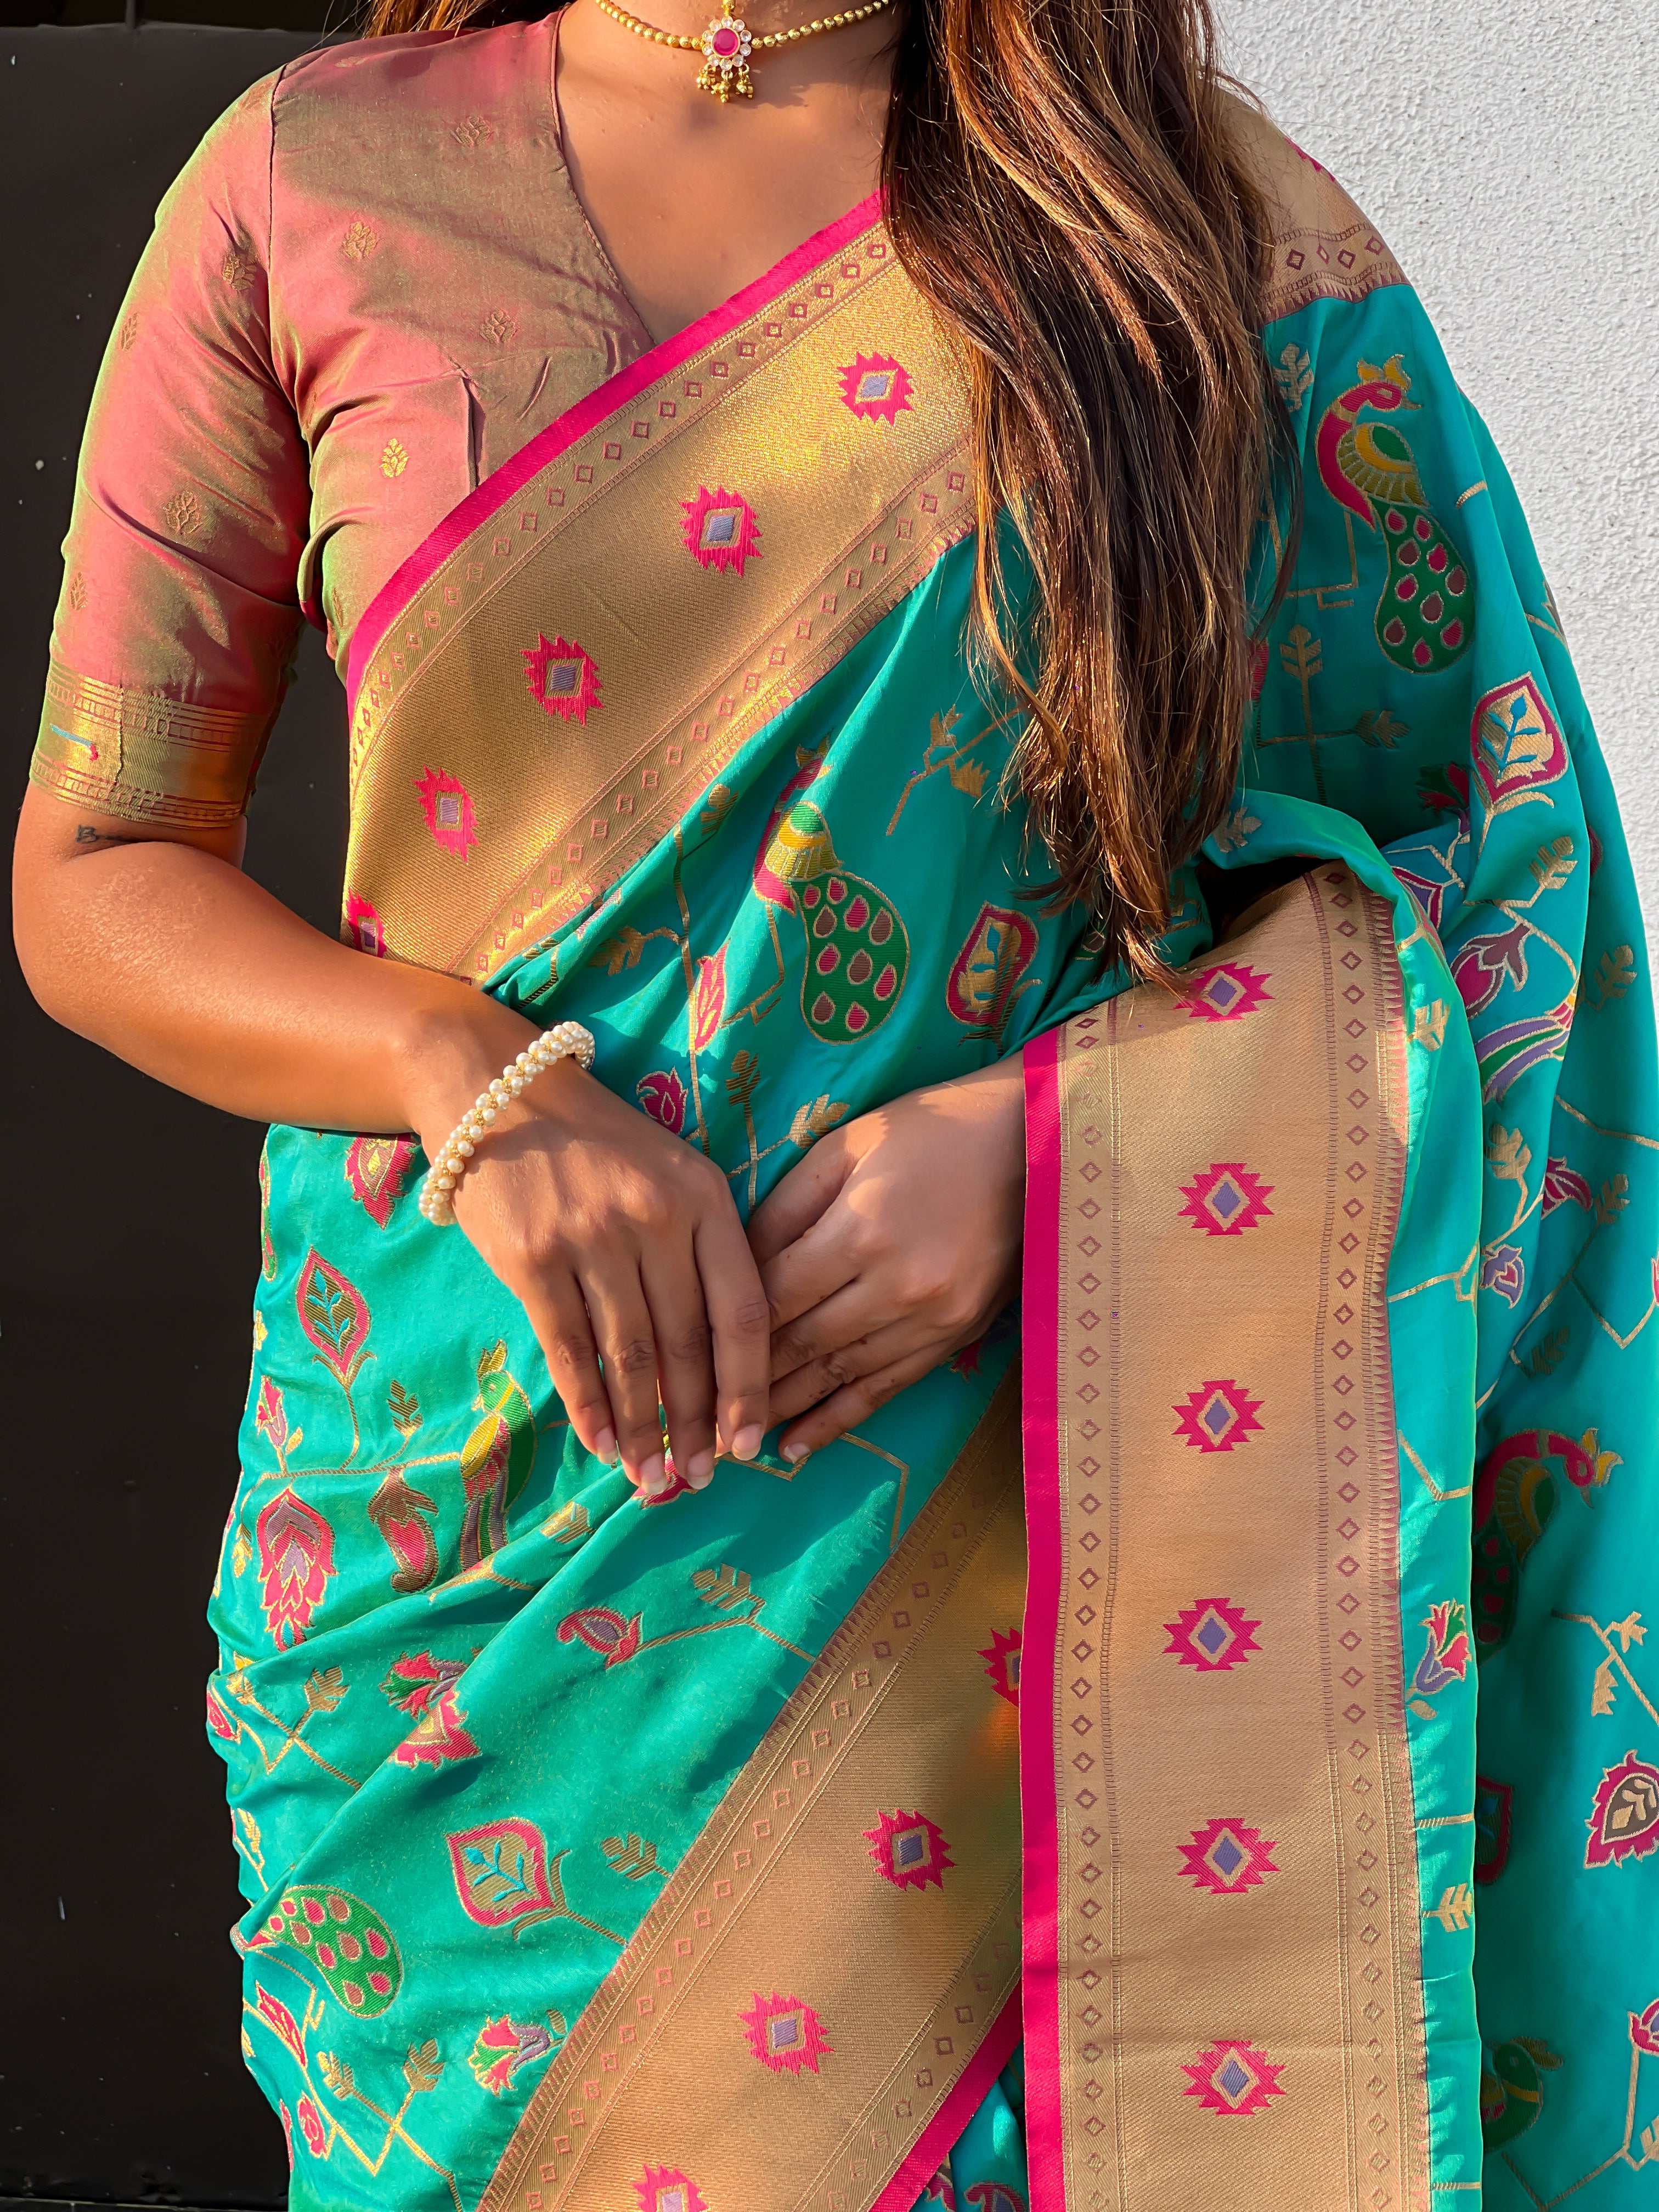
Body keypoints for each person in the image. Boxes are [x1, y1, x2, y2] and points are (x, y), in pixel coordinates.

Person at [12, 0, 1657, 2200]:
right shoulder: (311, 184)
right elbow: (98, 870)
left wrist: (1059, 1156)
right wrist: (459, 1075)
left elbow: (1507, 897)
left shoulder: (1196, 229)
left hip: (1016, 1577)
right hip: (452, 1584)